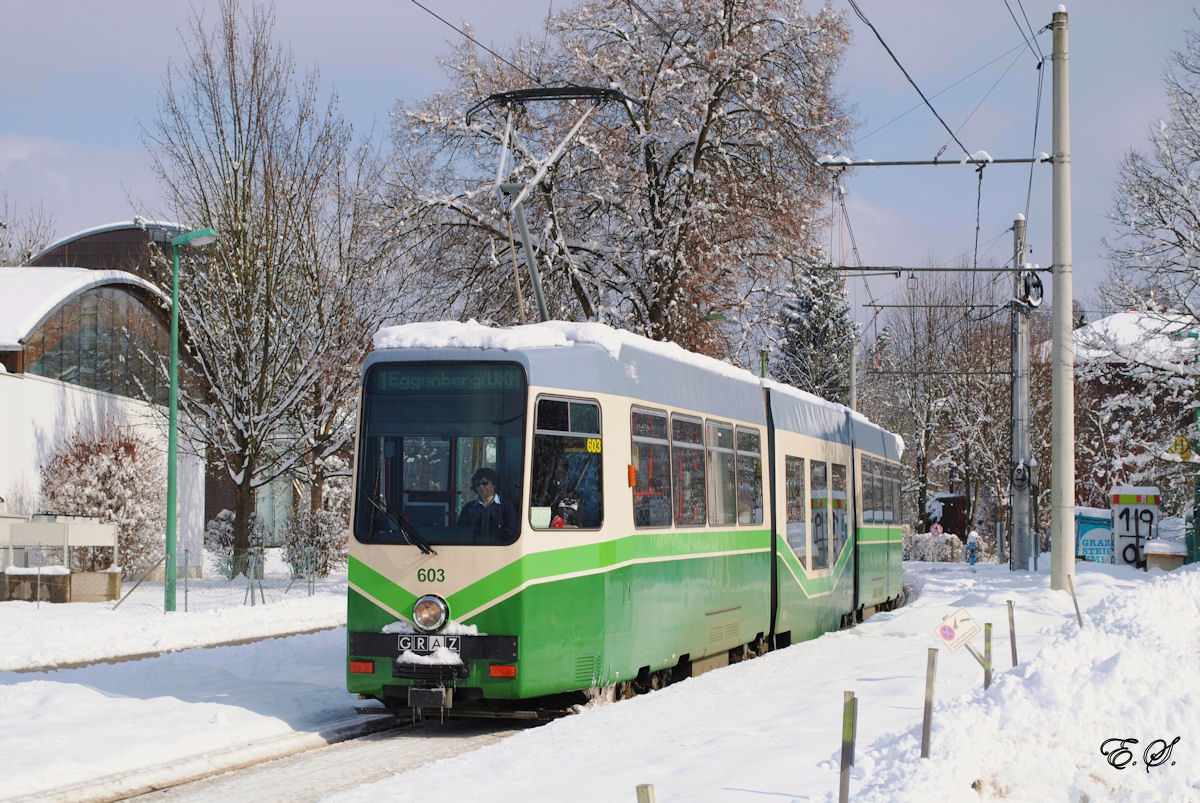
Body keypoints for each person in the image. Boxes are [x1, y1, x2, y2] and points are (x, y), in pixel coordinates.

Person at [458, 467, 519, 538]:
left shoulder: (507, 507)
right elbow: (461, 532)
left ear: (494, 484)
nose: (481, 487)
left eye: (485, 483)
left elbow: (512, 532)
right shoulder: (468, 509)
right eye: (477, 485)